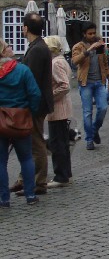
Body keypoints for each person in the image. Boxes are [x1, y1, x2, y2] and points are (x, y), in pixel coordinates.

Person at [12, 12, 54, 196]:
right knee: (32, 142)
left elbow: (32, 80)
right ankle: (26, 179)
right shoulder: (37, 46)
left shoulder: (37, 49)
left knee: (36, 144)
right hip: (38, 102)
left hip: (36, 104)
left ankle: (39, 183)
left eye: (23, 26)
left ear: (26, 28)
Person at [0, 38, 41, 207]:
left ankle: (4, 199)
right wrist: (31, 111)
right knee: (26, 158)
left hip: (1, 120)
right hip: (21, 118)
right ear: (3, 52)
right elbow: (35, 94)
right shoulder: (22, 70)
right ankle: (30, 195)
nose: (11, 47)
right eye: (8, 46)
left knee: (1, 162)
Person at [71, 22, 109, 150]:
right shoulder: (78, 46)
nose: (93, 35)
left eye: (94, 33)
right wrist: (88, 51)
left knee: (103, 108)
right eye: (90, 34)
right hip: (85, 83)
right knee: (87, 112)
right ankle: (89, 139)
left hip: (100, 82)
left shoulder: (99, 45)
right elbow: (75, 61)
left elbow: (105, 62)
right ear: (84, 34)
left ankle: (94, 130)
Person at [44, 36, 73, 188]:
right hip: (61, 107)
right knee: (62, 142)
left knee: (57, 143)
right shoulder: (60, 60)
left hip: (58, 108)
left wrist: (49, 96)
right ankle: (65, 173)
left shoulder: (56, 63)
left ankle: (61, 176)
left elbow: (64, 85)